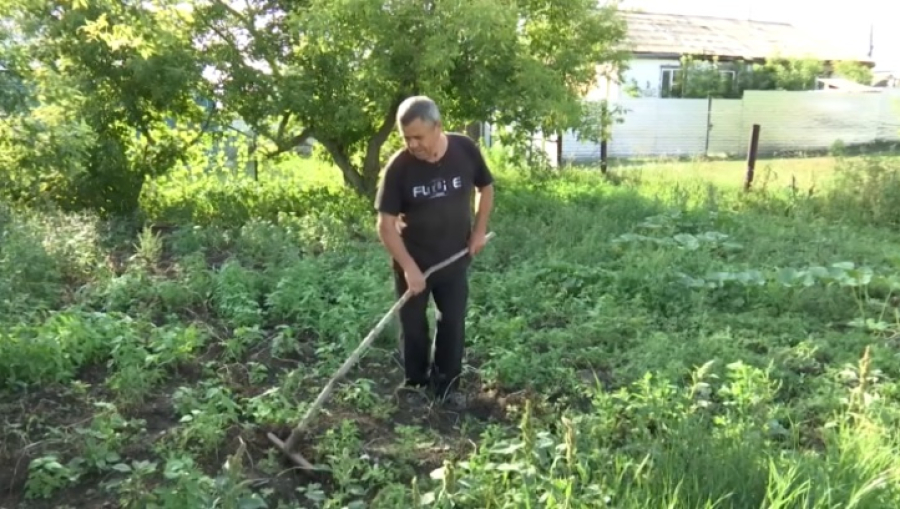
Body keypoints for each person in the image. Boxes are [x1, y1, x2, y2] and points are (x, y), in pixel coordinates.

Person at [373, 95, 495, 408]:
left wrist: (479, 231)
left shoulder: (465, 149)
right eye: (406, 138)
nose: (412, 144)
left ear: (437, 127)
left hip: (454, 257)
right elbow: (385, 226)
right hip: (414, 260)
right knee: (413, 324)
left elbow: (486, 187)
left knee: (452, 321)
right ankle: (415, 384)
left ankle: (447, 385)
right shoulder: (399, 168)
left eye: (418, 137)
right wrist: (409, 268)